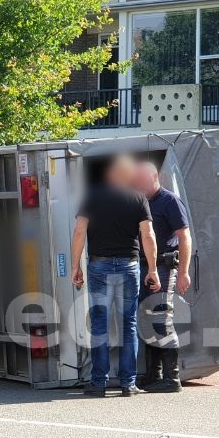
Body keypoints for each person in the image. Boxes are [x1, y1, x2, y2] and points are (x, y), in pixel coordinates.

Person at [70, 154, 160, 397]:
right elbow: (148, 235)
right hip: (129, 266)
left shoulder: (93, 196)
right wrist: (152, 269)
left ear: (110, 175)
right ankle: (128, 384)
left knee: (100, 324)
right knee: (128, 324)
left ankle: (99, 383)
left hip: (98, 266)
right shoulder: (138, 198)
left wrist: (75, 265)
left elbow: (80, 231)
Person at [133, 161, 193, 393]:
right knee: (147, 320)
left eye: (140, 180)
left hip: (165, 267)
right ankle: (152, 375)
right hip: (145, 267)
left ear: (154, 176)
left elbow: (184, 237)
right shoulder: (141, 201)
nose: (137, 184)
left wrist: (184, 272)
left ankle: (171, 378)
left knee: (161, 320)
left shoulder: (169, 201)